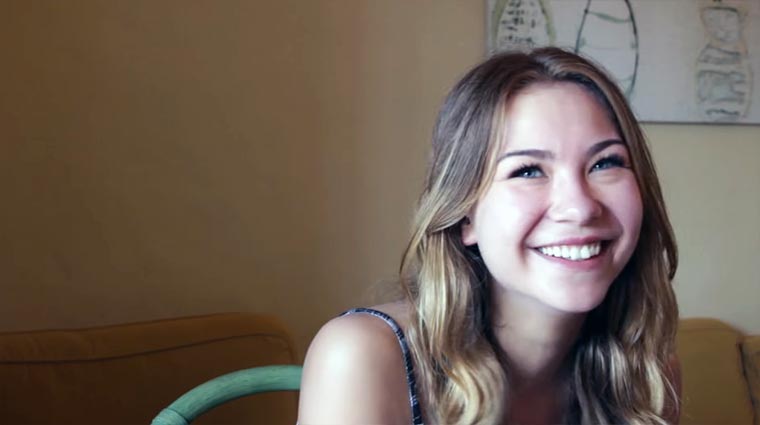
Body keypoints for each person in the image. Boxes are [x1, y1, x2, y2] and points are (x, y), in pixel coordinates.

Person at [298, 47, 681, 425]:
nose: (580, 208)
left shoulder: (645, 371)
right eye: (528, 171)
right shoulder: (361, 358)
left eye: (605, 163)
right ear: (465, 217)